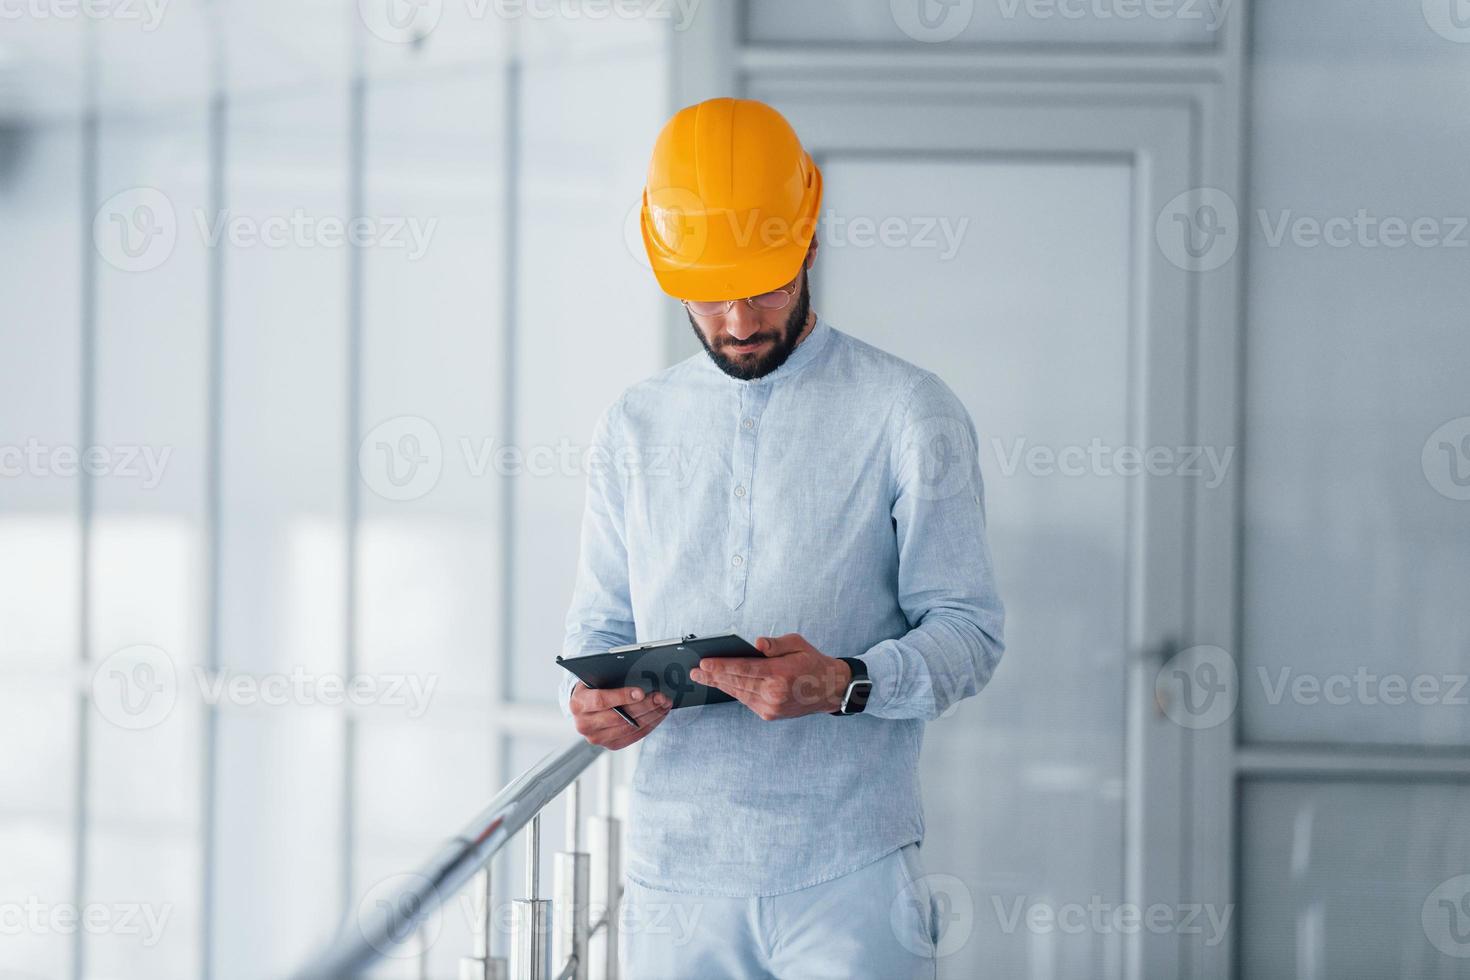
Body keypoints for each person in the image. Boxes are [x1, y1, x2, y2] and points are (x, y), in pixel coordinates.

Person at [560, 96, 1004, 979]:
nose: (738, 319)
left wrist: (846, 682)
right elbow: (597, 637)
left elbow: (971, 634)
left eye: (764, 282)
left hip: (851, 871)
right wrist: (598, 708)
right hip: (669, 882)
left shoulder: (908, 411)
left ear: (807, 240)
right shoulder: (633, 426)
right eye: (709, 293)